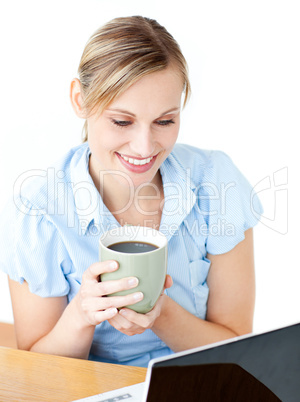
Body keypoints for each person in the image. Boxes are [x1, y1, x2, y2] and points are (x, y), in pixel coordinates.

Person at [0, 16, 262, 367]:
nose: (144, 147)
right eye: (122, 121)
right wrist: (81, 314)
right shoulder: (38, 209)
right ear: (80, 100)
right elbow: (37, 370)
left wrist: (161, 312)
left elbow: (237, 347)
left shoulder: (215, 181)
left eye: (165, 121)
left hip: (197, 382)